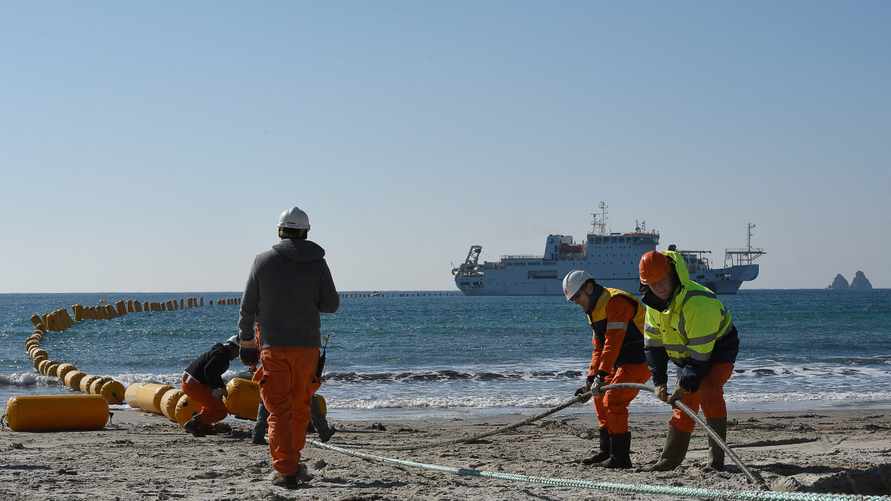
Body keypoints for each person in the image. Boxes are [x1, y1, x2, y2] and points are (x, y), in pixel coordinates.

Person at [238, 206, 340, 488]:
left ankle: (285, 469)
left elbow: (247, 307)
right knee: (299, 408)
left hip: (272, 347)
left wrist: (246, 342)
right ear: (306, 232)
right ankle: (291, 463)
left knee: (278, 411)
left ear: (280, 231)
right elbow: (331, 305)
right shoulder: (319, 263)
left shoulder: (262, 261)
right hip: (307, 348)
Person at [638, 249, 740, 471]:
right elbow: (653, 346)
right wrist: (659, 382)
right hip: (687, 356)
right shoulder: (653, 305)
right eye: (653, 284)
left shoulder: (699, 303)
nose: (660, 288)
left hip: (717, 351)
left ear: (673, 274)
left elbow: (701, 357)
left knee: (708, 390)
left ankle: (716, 461)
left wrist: (686, 383)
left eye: (663, 280)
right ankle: (669, 460)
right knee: (683, 404)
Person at [562, 270, 651, 469]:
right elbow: (599, 348)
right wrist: (591, 378)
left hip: (641, 358)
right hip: (621, 359)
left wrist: (601, 375)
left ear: (589, 288)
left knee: (615, 399)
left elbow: (614, 341)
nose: (576, 301)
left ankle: (621, 458)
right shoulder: (594, 310)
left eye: (577, 296)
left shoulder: (616, 301)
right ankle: (607, 451)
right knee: (598, 396)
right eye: (573, 299)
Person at [181, 336, 239, 437]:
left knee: (211, 406)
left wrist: (219, 388)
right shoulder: (221, 355)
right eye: (238, 351)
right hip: (194, 385)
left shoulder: (219, 352)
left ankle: (204, 426)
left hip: (190, 382)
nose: (237, 355)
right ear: (232, 347)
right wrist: (219, 387)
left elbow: (211, 372)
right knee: (220, 411)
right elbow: (209, 371)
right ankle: (194, 423)